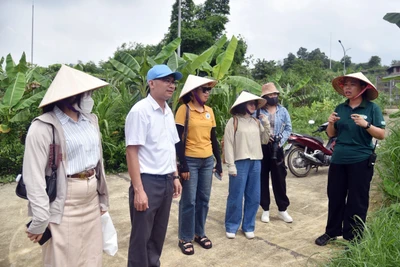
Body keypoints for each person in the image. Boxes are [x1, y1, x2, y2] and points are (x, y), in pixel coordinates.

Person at [23, 65, 110, 266]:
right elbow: (33, 177)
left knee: (91, 257)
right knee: (62, 259)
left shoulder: (90, 121)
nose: (89, 97)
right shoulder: (43, 127)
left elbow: (99, 164)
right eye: (85, 93)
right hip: (64, 202)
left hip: (90, 199)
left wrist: (102, 199)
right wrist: (40, 220)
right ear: (71, 96)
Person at [315, 72, 385, 246]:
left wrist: (366, 124)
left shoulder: (372, 108)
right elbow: (332, 135)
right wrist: (330, 123)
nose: (347, 87)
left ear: (363, 88)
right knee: (335, 196)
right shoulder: (340, 108)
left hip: (361, 160)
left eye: (352, 84)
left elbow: (382, 134)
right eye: (345, 84)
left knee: (357, 199)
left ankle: (353, 237)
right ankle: (331, 232)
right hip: (339, 159)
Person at [125, 64, 183, 266]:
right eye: (166, 80)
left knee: (157, 236)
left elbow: (169, 147)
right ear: (151, 83)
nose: (171, 85)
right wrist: (139, 189)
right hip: (147, 182)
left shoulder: (168, 111)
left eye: (173, 81)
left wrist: (175, 176)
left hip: (166, 180)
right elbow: (132, 151)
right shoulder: (140, 111)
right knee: (141, 239)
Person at [175, 74, 222, 255]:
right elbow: (177, 140)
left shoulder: (209, 111)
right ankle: (185, 237)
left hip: (207, 161)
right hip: (191, 161)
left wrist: (218, 162)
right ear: (194, 92)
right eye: (205, 89)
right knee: (189, 201)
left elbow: (213, 138)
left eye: (209, 89)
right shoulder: (183, 110)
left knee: (204, 199)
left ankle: (199, 233)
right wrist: (183, 165)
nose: (208, 93)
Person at [224, 91, 270, 239]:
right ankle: (232, 225)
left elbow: (264, 140)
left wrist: (266, 124)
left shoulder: (256, 122)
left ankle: (248, 226)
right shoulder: (233, 121)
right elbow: (229, 144)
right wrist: (231, 165)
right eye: (250, 103)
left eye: (254, 104)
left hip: (256, 161)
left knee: (254, 196)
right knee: (236, 196)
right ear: (243, 105)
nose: (253, 106)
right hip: (240, 161)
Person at [258, 83, 293, 223]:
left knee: (279, 178)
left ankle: (282, 209)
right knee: (262, 178)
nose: (273, 97)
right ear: (265, 97)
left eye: (275, 94)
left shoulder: (283, 110)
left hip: (277, 147)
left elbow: (288, 128)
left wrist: (280, 141)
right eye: (270, 95)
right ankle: (265, 209)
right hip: (262, 147)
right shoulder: (259, 111)